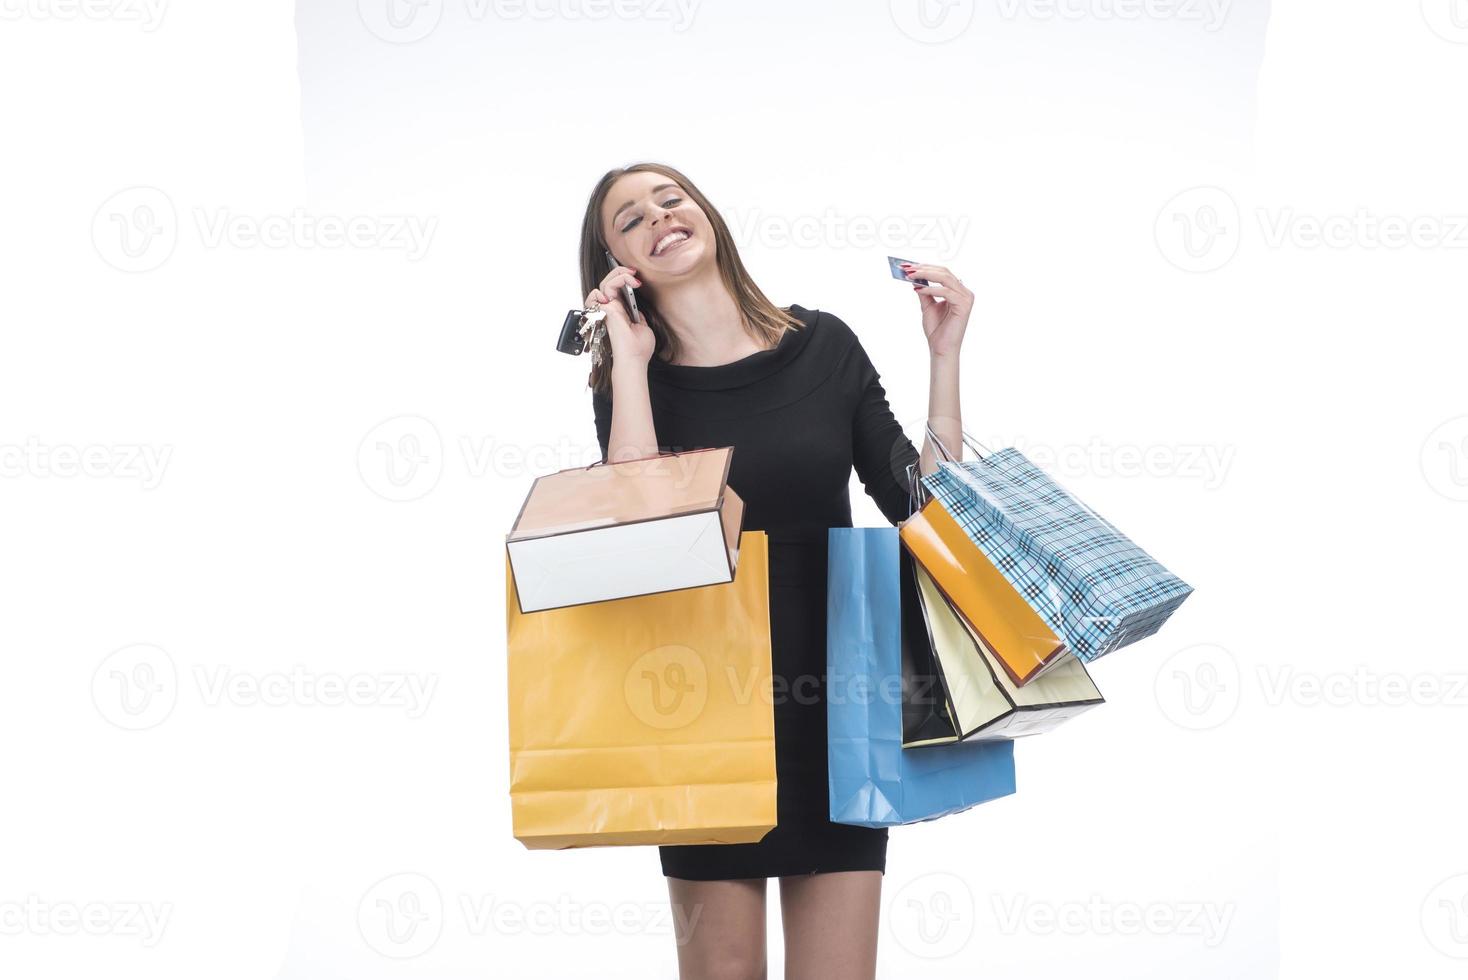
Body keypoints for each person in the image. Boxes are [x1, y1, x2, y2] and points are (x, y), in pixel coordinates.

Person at [580, 162, 973, 980]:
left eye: (670, 198)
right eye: (629, 220)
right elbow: (641, 534)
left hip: (838, 709)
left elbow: (923, 511)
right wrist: (627, 354)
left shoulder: (823, 345)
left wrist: (944, 359)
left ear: (706, 213)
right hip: (698, 706)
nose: (658, 216)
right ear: (617, 266)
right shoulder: (634, 380)